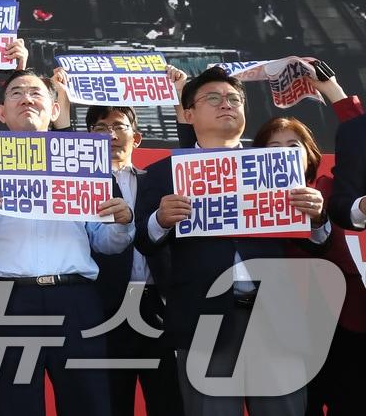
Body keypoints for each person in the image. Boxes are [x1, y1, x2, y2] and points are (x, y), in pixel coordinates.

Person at [134, 67, 330, 416]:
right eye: (213, 98)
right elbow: (145, 242)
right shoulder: (164, 172)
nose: (226, 104)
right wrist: (160, 220)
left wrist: (316, 217)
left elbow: (316, 243)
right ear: (188, 113)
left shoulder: (275, 164)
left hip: (275, 316)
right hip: (203, 316)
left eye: (233, 99)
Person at [0, 69, 134, 416]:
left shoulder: (84, 165)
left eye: (36, 93)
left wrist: (124, 224)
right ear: (2, 113)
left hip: (75, 299)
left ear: (54, 109)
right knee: (10, 406)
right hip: (7, 301)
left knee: (89, 403)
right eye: (16, 92)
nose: (26, 98)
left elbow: (106, 243)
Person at [254, 95, 364, 416]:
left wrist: (336, 93)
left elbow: (359, 140)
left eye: (293, 146)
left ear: (309, 154)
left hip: (347, 318)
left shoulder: (330, 188)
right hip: (285, 323)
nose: (283, 154)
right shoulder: (246, 201)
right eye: (273, 148)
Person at [83, 105, 180, 416]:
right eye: (100, 128)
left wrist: (179, 99)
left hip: (157, 305)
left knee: (168, 399)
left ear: (136, 138)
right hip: (105, 306)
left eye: (118, 126)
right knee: (112, 401)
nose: (110, 134)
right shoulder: (79, 185)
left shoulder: (161, 181)